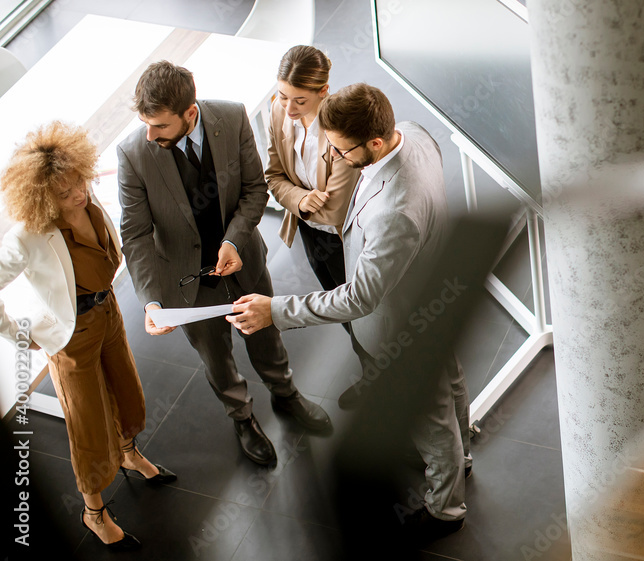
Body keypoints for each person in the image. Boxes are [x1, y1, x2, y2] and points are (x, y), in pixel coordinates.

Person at [227, 83, 471, 541]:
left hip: (407, 322)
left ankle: (446, 508)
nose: (335, 158)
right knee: (451, 383)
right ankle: (464, 459)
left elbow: (360, 297)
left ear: (374, 142)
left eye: (341, 149)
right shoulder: (414, 133)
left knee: (430, 419)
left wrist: (274, 310)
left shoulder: (395, 212)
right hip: (435, 288)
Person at [116, 61, 331, 468]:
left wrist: (233, 239)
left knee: (266, 336)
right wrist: (151, 301)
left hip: (244, 259)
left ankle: (285, 394)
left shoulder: (231, 117)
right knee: (215, 355)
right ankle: (242, 417)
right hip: (184, 281)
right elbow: (136, 235)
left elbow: (254, 189)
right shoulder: (132, 154)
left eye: (159, 126)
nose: (149, 135)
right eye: (145, 124)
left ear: (189, 113)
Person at [0, 121, 177, 550]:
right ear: (43, 196)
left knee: (127, 391)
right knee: (87, 424)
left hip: (109, 311)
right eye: (64, 193)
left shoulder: (90, 200)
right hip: (71, 335)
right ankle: (93, 510)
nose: (78, 193)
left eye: (78, 181)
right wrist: (19, 335)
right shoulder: (27, 235)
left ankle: (130, 453)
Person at [266, 45, 359, 292]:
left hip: (342, 235)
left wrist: (292, 199)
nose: (289, 109)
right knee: (331, 293)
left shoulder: (342, 129)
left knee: (357, 302)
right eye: (283, 96)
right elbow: (273, 177)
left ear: (323, 91)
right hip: (306, 226)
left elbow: (336, 212)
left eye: (299, 101)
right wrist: (300, 200)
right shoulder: (278, 111)